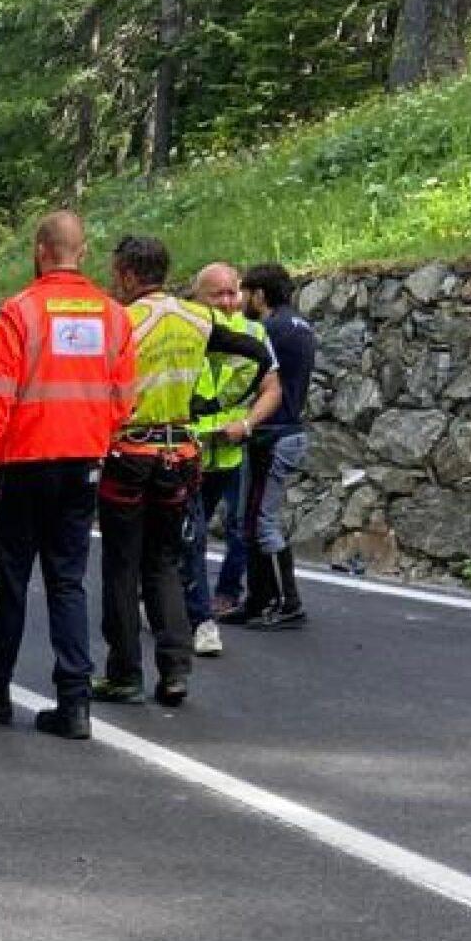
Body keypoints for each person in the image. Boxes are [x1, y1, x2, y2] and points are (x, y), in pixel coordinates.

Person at [0, 211, 136, 741]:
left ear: (39, 249)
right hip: (82, 467)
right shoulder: (113, 317)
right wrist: (93, 435)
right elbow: (125, 401)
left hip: (26, 464)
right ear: (85, 250)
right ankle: (74, 702)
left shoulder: (22, 312)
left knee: (11, 578)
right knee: (68, 580)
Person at [97, 235, 272, 709]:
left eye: (116, 274)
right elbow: (257, 356)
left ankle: (124, 674)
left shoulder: (122, 321)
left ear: (129, 275)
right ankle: (175, 671)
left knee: (122, 567)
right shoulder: (199, 317)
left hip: (129, 454)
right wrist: (214, 403)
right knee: (164, 565)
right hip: (180, 455)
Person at [183, 262, 282, 652]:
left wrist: (247, 424)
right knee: (190, 535)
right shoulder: (186, 331)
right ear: (198, 297)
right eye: (217, 294)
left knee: (231, 528)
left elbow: (273, 389)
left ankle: (210, 597)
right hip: (186, 452)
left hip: (228, 452)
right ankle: (198, 617)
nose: (228, 301)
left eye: (233, 292)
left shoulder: (255, 333)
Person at [236, 262, 319, 629]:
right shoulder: (301, 326)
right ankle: (259, 600)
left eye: (245, 293)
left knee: (260, 521)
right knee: (255, 519)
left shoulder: (268, 329)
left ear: (260, 294)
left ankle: (286, 602)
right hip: (289, 429)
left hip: (274, 432)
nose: (241, 301)